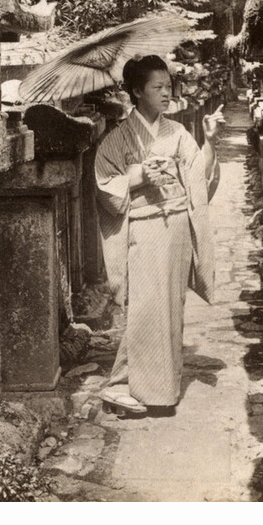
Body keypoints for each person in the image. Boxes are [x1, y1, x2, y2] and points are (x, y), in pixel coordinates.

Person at [94, 54, 225, 415]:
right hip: (145, 229)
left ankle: (156, 390)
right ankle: (125, 386)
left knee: (170, 309)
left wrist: (210, 141)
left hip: (178, 227)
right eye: (158, 87)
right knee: (145, 308)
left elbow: (199, 176)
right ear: (137, 91)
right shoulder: (117, 138)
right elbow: (105, 188)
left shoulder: (178, 132)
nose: (167, 94)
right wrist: (139, 178)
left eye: (169, 87)